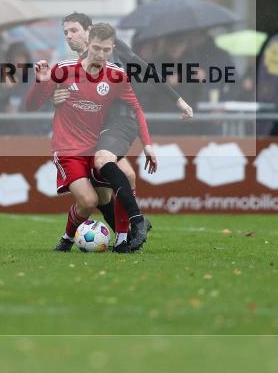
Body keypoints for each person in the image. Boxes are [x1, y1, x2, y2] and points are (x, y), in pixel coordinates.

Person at [49, 14, 192, 252]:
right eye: (66, 32)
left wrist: (177, 100)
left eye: (73, 31)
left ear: (90, 31)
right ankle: (125, 237)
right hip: (98, 127)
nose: (69, 37)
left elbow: (144, 69)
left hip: (120, 120)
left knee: (110, 165)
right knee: (103, 194)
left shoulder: (109, 47)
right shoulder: (76, 64)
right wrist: (56, 100)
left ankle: (135, 223)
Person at [25, 23, 159, 253]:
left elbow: (136, 109)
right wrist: (41, 81)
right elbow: (31, 106)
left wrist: (147, 144)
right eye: (96, 48)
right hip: (68, 149)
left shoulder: (117, 76)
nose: (101, 54)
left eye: (107, 50)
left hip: (96, 147)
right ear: (88, 46)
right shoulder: (64, 70)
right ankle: (67, 239)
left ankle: (123, 239)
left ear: (112, 48)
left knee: (122, 179)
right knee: (88, 202)